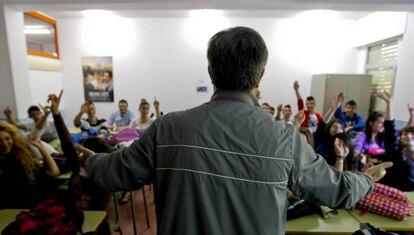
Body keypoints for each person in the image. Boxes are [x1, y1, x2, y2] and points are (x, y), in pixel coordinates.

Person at [77, 26, 391, 235]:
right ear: (261, 75)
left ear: (211, 71)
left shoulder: (169, 127)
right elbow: (336, 191)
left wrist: (91, 160)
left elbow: (114, 174)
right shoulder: (282, 137)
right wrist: (367, 178)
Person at [0, 120, 60, 209]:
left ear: (13, 138)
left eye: (7, 138)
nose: (4, 144)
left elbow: (54, 172)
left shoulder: (22, 156)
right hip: (12, 206)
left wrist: (41, 148)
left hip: (35, 203)